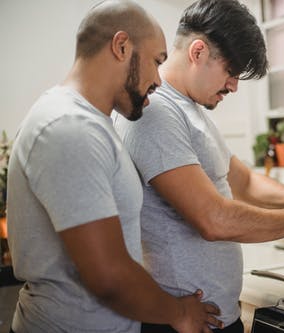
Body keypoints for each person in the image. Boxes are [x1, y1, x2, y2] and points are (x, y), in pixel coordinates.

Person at [114, 0, 284, 332]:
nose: (234, 86)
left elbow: (245, 184)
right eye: (231, 72)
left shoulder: (192, 111)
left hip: (216, 317)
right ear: (198, 52)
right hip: (181, 324)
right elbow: (213, 220)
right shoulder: (157, 113)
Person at [6, 1, 223, 332]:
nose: (158, 81)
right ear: (122, 46)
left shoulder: (93, 123)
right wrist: (179, 312)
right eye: (156, 62)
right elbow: (109, 276)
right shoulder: (69, 127)